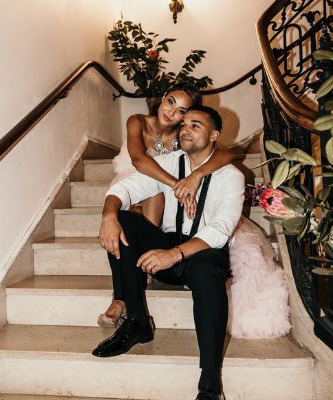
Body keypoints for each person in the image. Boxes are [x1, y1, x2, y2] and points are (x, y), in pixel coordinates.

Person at [92, 105, 243, 400]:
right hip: (168, 247)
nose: (185, 129)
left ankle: (210, 383)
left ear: (214, 135)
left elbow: (221, 229)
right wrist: (109, 215)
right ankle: (137, 322)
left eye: (195, 125)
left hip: (203, 252)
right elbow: (126, 188)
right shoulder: (171, 162)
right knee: (123, 220)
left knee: (208, 265)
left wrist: (175, 253)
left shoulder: (231, 176)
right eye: (184, 124)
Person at [98, 83, 235, 327]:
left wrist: (196, 176)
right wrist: (179, 185)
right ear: (163, 97)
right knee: (120, 218)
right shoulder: (138, 120)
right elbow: (140, 161)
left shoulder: (186, 137)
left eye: (183, 112)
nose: (172, 112)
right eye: (171, 101)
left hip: (162, 190)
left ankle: (147, 259)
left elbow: (226, 153)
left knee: (155, 197)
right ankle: (120, 297)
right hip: (141, 174)